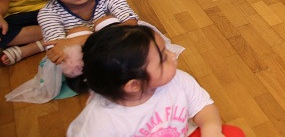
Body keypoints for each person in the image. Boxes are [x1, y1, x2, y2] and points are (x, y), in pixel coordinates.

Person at [67, 25, 244, 136]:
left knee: (232, 133)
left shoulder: (178, 80)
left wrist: (211, 132)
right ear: (134, 84)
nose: (172, 55)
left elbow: (204, 108)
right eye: (163, 58)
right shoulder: (101, 123)